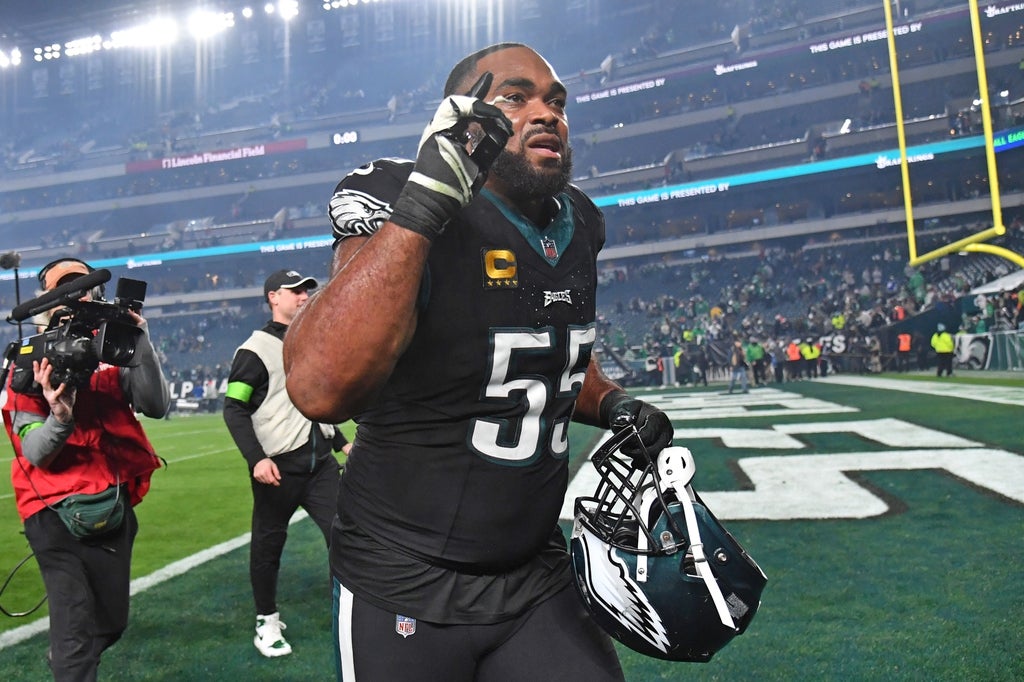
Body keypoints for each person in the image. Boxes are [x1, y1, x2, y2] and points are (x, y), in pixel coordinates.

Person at [283, 43, 674, 681]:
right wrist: (423, 206)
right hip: (403, 573)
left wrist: (611, 403)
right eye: (516, 98)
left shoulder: (579, 220)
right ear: (462, 116)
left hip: (536, 568)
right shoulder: (392, 193)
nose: (546, 113)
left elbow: (553, 352)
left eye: (556, 102)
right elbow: (322, 388)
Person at [2, 257, 169, 681]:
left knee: (110, 622)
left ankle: (67, 661)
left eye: (82, 287)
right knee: (75, 629)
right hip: (52, 511)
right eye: (64, 290)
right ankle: (70, 663)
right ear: (46, 302)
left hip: (110, 504)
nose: (76, 297)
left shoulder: (113, 355)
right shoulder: (29, 364)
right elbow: (37, 452)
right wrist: (60, 417)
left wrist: (140, 338)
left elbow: (156, 405)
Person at [223, 269, 352, 658]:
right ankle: (266, 620)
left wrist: (343, 443)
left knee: (346, 536)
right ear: (273, 297)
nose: (302, 297)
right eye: (295, 292)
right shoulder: (254, 350)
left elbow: (316, 404)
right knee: (268, 546)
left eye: (305, 291)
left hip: (321, 465)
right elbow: (234, 408)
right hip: (278, 468)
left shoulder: (312, 341)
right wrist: (256, 459)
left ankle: (348, 608)